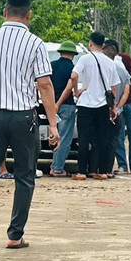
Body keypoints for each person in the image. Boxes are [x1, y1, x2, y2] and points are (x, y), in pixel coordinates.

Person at [0, 0, 59, 253]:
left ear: (5, 12)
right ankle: (14, 235)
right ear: (29, 15)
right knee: (25, 176)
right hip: (23, 117)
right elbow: (44, 84)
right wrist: (53, 124)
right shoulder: (35, 43)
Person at [55, 31, 119, 181]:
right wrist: (113, 106)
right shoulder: (110, 62)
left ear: (90, 44)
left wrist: (77, 91)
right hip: (103, 104)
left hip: (85, 105)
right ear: (103, 45)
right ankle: (102, 171)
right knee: (102, 138)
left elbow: (74, 75)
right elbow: (114, 88)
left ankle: (82, 172)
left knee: (83, 139)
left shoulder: (85, 59)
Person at [106, 39, 131, 175]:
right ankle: (122, 165)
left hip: (130, 103)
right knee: (119, 134)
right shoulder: (105, 62)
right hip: (116, 104)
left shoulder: (124, 59)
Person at [48, 42, 78, 177]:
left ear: (60, 52)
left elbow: (43, 85)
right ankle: (57, 168)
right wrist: (59, 104)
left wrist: (52, 104)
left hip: (49, 106)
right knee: (64, 138)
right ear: (73, 54)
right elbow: (69, 88)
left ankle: (54, 166)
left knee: (53, 136)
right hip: (66, 105)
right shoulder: (73, 68)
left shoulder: (51, 66)